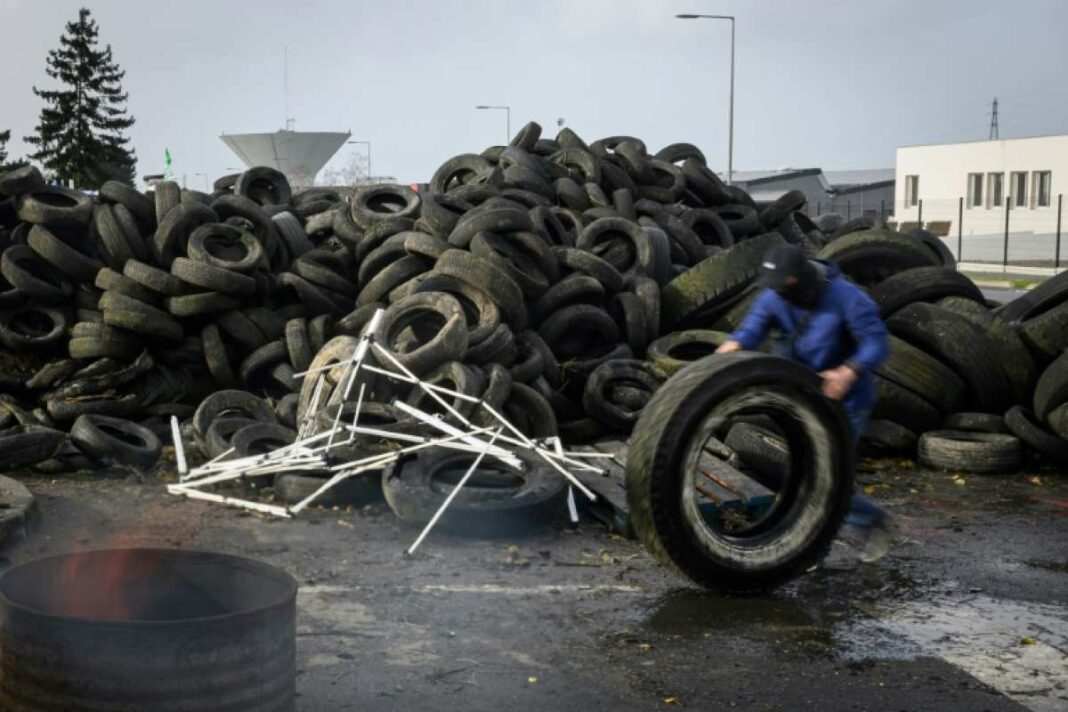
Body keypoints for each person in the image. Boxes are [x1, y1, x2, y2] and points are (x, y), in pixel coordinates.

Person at [715, 243, 892, 562]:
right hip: (801, 400)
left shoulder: (846, 298)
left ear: (803, 281)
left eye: (786, 289)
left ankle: (869, 521)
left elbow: (877, 342)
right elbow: (750, 330)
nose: (780, 297)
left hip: (846, 402)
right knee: (805, 474)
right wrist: (731, 348)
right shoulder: (774, 295)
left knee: (825, 478)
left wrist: (847, 372)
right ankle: (812, 544)